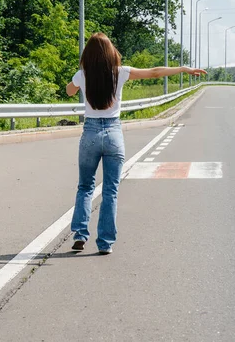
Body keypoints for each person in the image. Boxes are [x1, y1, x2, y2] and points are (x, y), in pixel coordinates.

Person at [65, 32, 206, 255]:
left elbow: (69, 90)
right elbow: (155, 72)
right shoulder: (119, 72)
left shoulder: (82, 74)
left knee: (85, 187)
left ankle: (81, 234)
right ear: (111, 52)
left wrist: (77, 82)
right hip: (113, 133)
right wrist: (183, 69)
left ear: (88, 55)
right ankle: (105, 243)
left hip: (90, 133)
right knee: (110, 190)